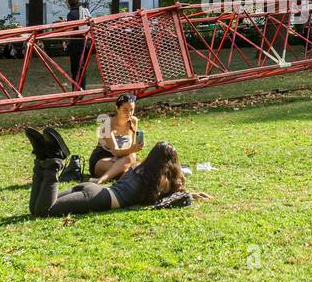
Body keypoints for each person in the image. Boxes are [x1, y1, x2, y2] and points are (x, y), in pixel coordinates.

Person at [27, 127, 203, 218]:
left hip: (94, 188)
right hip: (100, 198)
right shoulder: (159, 182)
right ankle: (54, 162)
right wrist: (192, 195)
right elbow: (172, 197)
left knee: (36, 209)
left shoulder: (138, 166)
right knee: (45, 211)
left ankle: (42, 158)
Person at [90, 93, 144, 183]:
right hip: (102, 160)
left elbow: (131, 148)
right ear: (117, 108)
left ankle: (124, 176)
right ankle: (100, 180)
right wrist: (132, 150)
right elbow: (117, 152)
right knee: (130, 161)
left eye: (131, 110)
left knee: (133, 162)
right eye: (125, 110)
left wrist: (134, 149)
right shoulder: (107, 124)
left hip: (122, 161)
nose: (129, 113)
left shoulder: (133, 121)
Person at [64, 0, 91, 89]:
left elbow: (70, 30)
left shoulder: (71, 14)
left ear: (69, 3)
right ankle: (82, 88)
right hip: (85, 43)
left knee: (75, 69)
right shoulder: (85, 11)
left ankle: (76, 89)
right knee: (82, 68)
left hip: (76, 45)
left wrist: (64, 25)